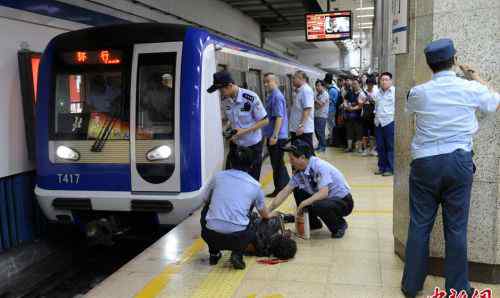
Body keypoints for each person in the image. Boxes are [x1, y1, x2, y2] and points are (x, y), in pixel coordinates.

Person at [401, 39, 500, 298]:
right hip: (458, 162)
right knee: (456, 228)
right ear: (454, 60)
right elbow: (493, 102)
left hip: (424, 164)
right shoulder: (469, 88)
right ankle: (457, 287)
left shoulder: (418, 92)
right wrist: (476, 77)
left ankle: (411, 285)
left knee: (419, 224)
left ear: (429, 64)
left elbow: (409, 109)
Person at [201, 147, 277, 270]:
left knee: (206, 209)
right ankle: (238, 253)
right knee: (251, 218)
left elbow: (205, 199)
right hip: (238, 238)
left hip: (211, 235)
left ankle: (214, 253)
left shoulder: (218, 177)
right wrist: (273, 214)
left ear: (230, 162)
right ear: (251, 165)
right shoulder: (255, 185)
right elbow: (265, 215)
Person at [268, 141, 354, 238]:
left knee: (319, 205)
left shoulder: (319, 166)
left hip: (343, 201)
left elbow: (323, 193)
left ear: (303, 158)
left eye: (292, 159)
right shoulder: (300, 171)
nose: (290, 162)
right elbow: (285, 191)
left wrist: (303, 204)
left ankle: (339, 225)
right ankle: (313, 222)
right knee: (297, 189)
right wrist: (267, 211)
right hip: (327, 200)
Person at [207, 71, 269, 181]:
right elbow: (229, 120)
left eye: (221, 90)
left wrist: (244, 131)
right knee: (234, 178)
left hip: (252, 146)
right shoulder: (225, 101)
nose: (220, 93)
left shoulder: (250, 98)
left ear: (230, 86)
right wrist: (226, 130)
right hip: (236, 145)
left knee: (251, 180)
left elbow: (265, 121)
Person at [262, 73, 290, 198]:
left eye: (268, 81)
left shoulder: (277, 97)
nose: (266, 84)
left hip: (277, 137)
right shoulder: (271, 96)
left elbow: (279, 117)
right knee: (278, 163)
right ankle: (284, 186)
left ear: (276, 82)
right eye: (264, 82)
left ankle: (280, 189)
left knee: (277, 163)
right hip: (275, 135)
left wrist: (274, 135)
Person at [373, 72, 395, 176]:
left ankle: (390, 168)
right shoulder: (377, 93)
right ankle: (381, 167)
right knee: (380, 146)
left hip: (389, 122)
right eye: (382, 79)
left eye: (386, 79)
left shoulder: (394, 92)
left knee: (390, 146)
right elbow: (376, 107)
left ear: (391, 81)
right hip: (378, 123)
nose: (384, 81)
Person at [289, 70, 315, 151]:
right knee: (297, 153)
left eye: (294, 78)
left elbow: (307, 109)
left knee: (306, 154)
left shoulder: (306, 91)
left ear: (302, 79)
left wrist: (301, 126)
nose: (292, 80)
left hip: (303, 131)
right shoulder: (300, 90)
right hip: (297, 129)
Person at [342, 78, 364, 153]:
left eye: (355, 84)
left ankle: (359, 148)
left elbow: (361, 105)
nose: (353, 85)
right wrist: (346, 105)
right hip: (349, 115)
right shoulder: (350, 92)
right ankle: (349, 147)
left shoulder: (362, 93)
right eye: (353, 84)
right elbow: (345, 100)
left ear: (360, 84)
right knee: (349, 131)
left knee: (359, 132)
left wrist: (352, 108)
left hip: (358, 116)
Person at [361, 76, 378, 156]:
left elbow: (378, 104)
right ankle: (365, 149)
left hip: (373, 114)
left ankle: (372, 149)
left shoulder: (376, 92)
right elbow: (359, 104)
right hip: (365, 114)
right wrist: (365, 100)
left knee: (373, 133)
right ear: (367, 84)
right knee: (364, 133)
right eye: (369, 84)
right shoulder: (362, 93)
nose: (370, 85)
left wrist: (372, 100)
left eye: (371, 84)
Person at [324, 73, 340, 146]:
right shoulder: (334, 89)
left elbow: (330, 101)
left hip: (331, 110)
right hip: (331, 110)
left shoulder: (332, 90)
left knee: (331, 126)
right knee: (331, 125)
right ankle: (332, 139)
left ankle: (333, 140)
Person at [314, 80, 329, 152]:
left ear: (323, 86)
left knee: (321, 131)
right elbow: (316, 105)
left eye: (318, 86)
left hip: (322, 115)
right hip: (316, 115)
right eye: (316, 86)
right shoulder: (317, 94)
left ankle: (323, 146)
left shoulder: (325, 94)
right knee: (317, 131)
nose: (317, 87)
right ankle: (320, 145)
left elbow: (320, 105)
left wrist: (315, 100)